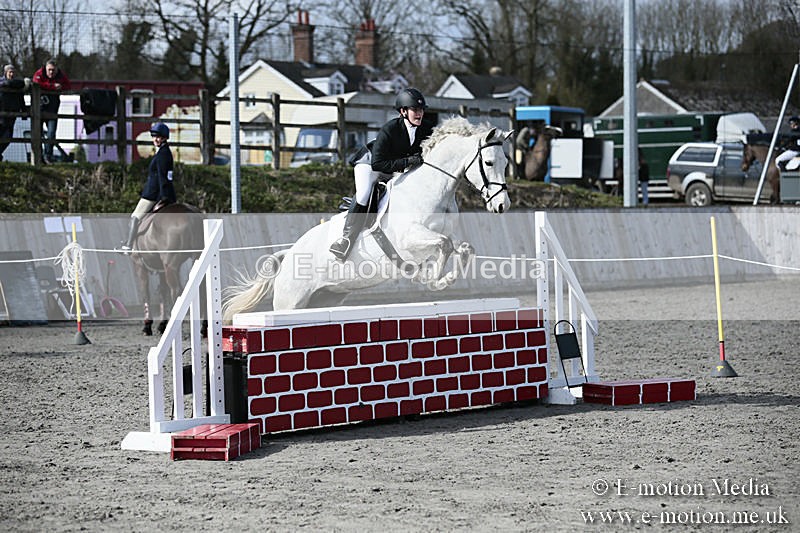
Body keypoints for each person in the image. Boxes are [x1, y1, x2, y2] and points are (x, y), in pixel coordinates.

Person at [329, 87, 434, 261]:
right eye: (415, 110)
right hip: (370, 165)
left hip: (393, 167)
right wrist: (407, 162)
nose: (419, 114)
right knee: (363, 194)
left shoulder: (426, 128)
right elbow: (378, 164)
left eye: (421, 110)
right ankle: (345, 239)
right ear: (403, 111)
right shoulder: (390, 129)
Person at [119, 122, 176, 251]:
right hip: (159, 192)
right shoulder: (164, 152)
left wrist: (164, 196)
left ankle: (129, 245)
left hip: (152, 194)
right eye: (154, 136)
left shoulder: (162, 154)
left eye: (159, 137)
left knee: (135, 217)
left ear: (165, 138)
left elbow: (163, 177)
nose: (155, 139)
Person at [32, 58, 70, 163]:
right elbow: (36, 83)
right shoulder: (39, 73)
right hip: (39, 110)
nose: (51, 72)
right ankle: (38, 157)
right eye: (49, 70)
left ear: (57, 69)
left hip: (53, 110)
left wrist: (60, 86)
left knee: (51, 133)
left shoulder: (60, 75)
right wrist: (52, 86)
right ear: (46, 68)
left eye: (53, 70)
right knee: (37, 134)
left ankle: (48, 156)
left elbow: (68, 85)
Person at [0, 65, 27, 162]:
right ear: (5, 73)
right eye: (9, 72)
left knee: (8, 137)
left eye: (13, 72)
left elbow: (21, 97)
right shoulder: (2, 82)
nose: (11, 74)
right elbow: (3, 84)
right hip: (2, 113)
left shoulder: (17, 85)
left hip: (12, 115)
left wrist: (24, 111)